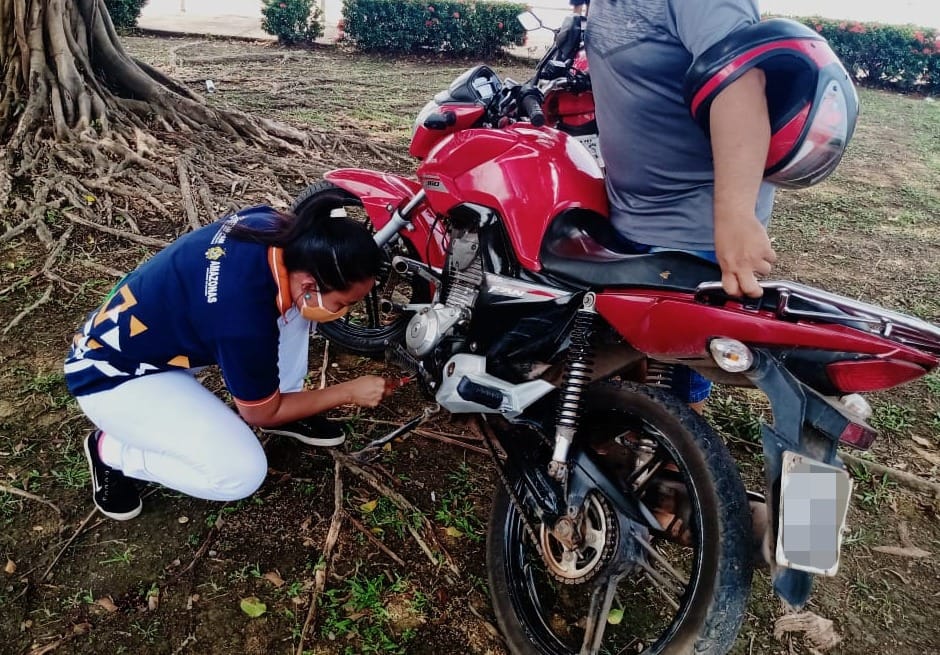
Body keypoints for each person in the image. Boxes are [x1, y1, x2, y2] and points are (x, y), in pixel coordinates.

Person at [65, 203, 393, 520]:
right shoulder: (244, 321)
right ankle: (111, 451)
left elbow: (260, 301)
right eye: (343, 302)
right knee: (241, 474)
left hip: (148, 337)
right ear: (310, 284)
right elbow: (257, 412)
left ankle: (286, 402)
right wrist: (348, 392)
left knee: (293, 308)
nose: (344, 311)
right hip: (113, 377)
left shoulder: (273, 227)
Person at [585, 0, 776, 411]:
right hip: (632, 209)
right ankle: (635, 434)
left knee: (676, 376)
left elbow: (741, 81)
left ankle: (674, 465)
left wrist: (736, 216)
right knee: (633, 352)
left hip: (693, 221)